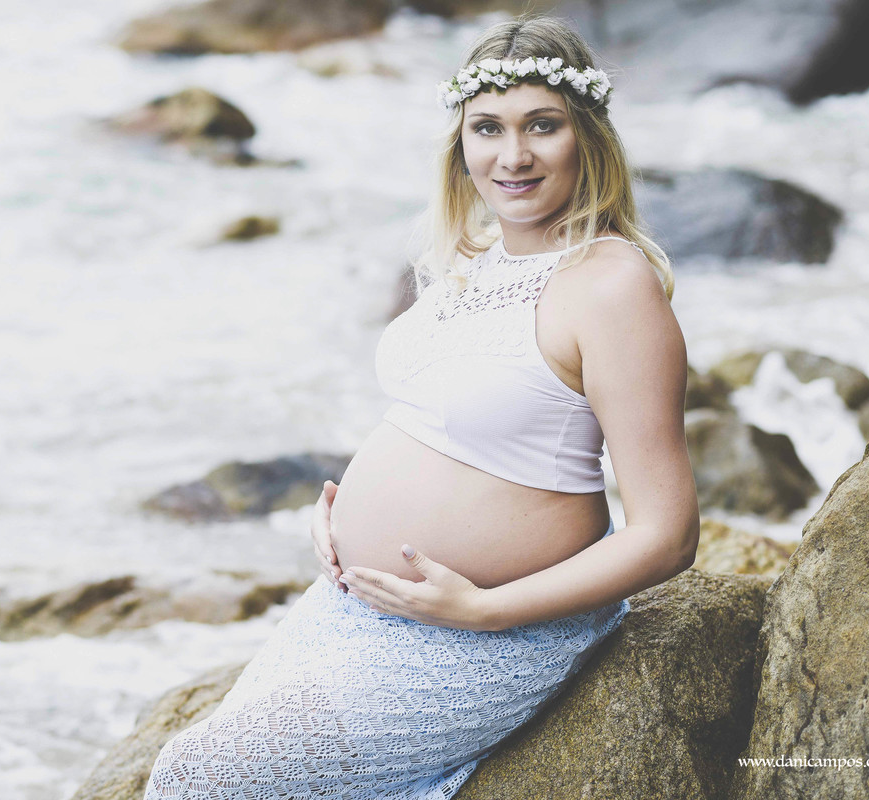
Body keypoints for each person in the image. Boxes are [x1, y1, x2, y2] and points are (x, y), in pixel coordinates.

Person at [144, 12, 699, 798]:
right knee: (180, 771)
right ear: (460, 142)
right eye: (488, 128)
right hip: (356, 608)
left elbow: (668, 535)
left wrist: (485, 610)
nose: (513, 155)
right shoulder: (464, 263)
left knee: (201, 779)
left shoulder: (611, 288)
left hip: (485, 633)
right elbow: (437, 420)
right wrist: (340, 514)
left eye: (543, 126)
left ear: (589, 137)